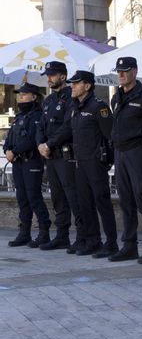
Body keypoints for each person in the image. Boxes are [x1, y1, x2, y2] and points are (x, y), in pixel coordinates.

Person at [109, 56, 142, 264]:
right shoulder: (117, 97)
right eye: (118, 71)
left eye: (125, 71)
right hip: (120, 153)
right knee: (125, 201)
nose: (121, 75)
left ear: (135, 72)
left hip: (138, 152)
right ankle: (129, 246)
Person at [64, 71, 117, 257]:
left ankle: (111, 243)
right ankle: (92, 241)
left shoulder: (98, 107)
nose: (72, 86)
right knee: (85, 203)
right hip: (80, 163)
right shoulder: (75, 107)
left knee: (102, 202)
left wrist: (107, 162)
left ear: (87, 86)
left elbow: (110, 137)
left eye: (76, 83)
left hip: (96, 163)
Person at [35, 61, 80, 251]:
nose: (49, 78)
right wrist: (40, 144)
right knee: (57, 197)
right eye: (48, 75)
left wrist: (49, 143)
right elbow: (41, 126)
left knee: (72, 196)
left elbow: (68, 126)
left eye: (52, 75)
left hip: (65, 155)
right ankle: (62, 236)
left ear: (63, 76)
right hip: (50, 156)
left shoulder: (72, 97)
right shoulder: (48, 100)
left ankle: (83, 236)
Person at [4, 83, 50, 247]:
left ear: (34, 96)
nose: (20, 96)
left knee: (34, 197)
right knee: (22, 199)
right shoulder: (19, 117)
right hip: (18, 163)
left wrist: (14, 151)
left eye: (24, 94)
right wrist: (7, 150)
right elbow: (10, 138)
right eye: (19, 94)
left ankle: (44, 233)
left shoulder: (37, 116)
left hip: (31, 161)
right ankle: (24, 233)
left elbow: (32, 139)